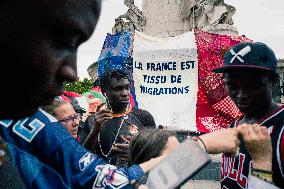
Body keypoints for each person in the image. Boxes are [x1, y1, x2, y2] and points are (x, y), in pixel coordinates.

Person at [0, 0, 241, 188]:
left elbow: (115, 182)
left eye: (77, 46)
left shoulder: (32, 125)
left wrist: (196, 147)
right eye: (61, 41)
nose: (72, 72)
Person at [212, 42, 284, 188]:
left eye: (252, 85)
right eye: (232, 86)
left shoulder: (281, 129)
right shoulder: (233, 126)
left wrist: (262, 166)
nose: (241, 95)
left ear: (273, 82)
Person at [93, 69, 156, 166]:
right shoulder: (93, 121)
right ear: (104, 91)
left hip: (137, 178)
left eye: (127, 88)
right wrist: (95, 130)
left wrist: (135, 153)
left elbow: (156, 154)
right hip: (105, 178)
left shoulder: (144, 116)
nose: (125, 93)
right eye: (118, 89)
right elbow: (81, 158)